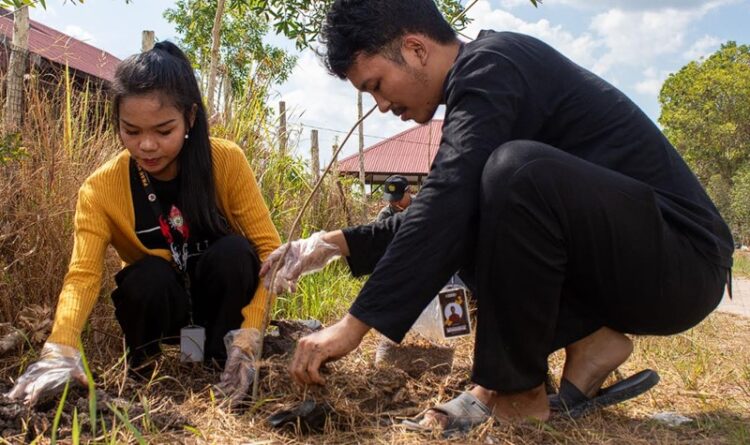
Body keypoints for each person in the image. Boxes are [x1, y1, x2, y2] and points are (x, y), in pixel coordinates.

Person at [262, 0, 734, 433]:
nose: (382, 106)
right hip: (635, 263)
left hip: (684, 261)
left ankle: (515, 393)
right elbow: (450, 207)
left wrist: (353, 325)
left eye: (377, 86)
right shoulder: (482, 82)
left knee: (513, 171)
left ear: (415, 48)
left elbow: (448, 199)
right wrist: (333, 242)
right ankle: (589, 342)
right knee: (484, 193)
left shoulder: (494, 65)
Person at [6, 42, 281, 407]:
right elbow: (82, 275)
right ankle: (146, 374)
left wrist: (251, 333)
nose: (147, 145)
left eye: (164, 131)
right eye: (131, 131)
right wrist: (62, 345)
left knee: (234, 252)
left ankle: (224, 364)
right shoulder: (100, 188)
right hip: (162, 311)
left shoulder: (225, 162)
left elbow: (272, 252)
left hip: (221, 314)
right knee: (146, 275)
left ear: (191, 118)